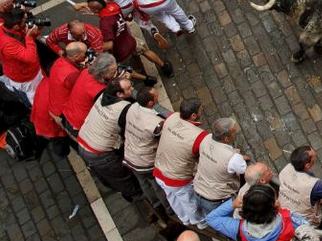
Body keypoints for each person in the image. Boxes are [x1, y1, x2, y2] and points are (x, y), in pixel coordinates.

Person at [76, 77, 144, 202]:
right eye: (129, 88)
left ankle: (108, 183)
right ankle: (136, 195)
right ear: (119, 94)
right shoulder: (123, 109)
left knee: (104, 172)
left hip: (83, 141)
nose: (132, 89)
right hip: (99, 153)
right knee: (122, 175)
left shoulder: (102, 96)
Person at [84, 0, 173, 77]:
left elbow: (109, 44)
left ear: (96, 10)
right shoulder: (114, 6)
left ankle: (145, 77)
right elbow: (107, 14)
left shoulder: (104, 24)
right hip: (130, 40)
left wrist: (100, 49)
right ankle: (164, 66)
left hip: (120, 51)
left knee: (126, 68)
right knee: (146, 51)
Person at [154, 98, 209, 226]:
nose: (203, 110)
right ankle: (200, 222)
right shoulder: (199, 135)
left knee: (171, 197)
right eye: (201, 109)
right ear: (194, 115)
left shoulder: (172, 117)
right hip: (177, 178)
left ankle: (183, 218)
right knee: (189, 202)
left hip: (159, 169)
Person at [192, 118, 248, 218]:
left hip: (197, 190)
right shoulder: (232, 158)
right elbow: (243, 169)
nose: (235, 135)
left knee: (209, 218)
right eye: (234, 133)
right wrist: (239, 157)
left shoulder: (206, 138)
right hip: (216, 199)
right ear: (226, 139)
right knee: (224, 221)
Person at [207, 184, 303, 241]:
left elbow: (211, 218)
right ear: (273, 205)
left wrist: (232, 204)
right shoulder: (290, 220)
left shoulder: (236, 229)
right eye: (275, 199)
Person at [0, 9, 44, 105]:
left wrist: (37, 31)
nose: (27, 23)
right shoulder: (7, 45)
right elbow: (30, 58)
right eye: (24, 22)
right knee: (37, 96)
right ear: (16, 26)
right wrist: (29, 37)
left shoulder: (7, 29)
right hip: (26, 78)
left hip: (29, 72)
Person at [61, 52, 118, 138]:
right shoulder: (99, 91)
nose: (115, 74)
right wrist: (118, 83)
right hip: (78, 126)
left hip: (68, 114)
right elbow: (109, 107)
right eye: (113, 72)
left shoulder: (86, 71)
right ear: (103, 74)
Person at [47, 40, 89, 145]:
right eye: (85, 53)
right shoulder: (71, 74)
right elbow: (84, 89)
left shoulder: (60, 61)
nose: (88, 55)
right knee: (83, 139)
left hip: (55, 107)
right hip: (65, 113)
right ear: (76, 57)